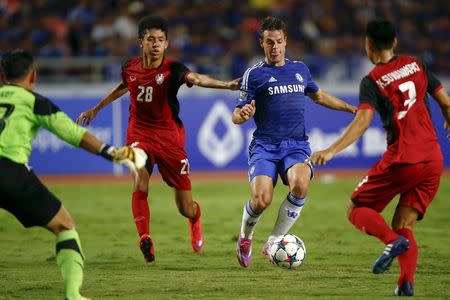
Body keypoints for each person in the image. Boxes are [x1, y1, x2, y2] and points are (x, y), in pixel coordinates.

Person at [76, 16, 240, 263]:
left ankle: (195, 218)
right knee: (139, 179)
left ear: (166, 44)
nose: (156, 44)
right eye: (151, 39)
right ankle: (145, 237)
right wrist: (96, 108)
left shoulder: (173, 69)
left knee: (184, 207)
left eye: (161, 40)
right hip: (139, 134)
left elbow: (196, 78)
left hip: (169, 138)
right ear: (140, 41)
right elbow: (124, 86)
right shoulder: (129, 67)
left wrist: (226, 84)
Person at [308, 20, 450, 296]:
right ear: (395, 42)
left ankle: (392, 241)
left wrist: (331, 149)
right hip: (433, 159)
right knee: (404, 223)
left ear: (368, 44)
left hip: (403, 158)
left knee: (356, 208)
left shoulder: (372, 81)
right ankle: (405, 284)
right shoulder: (416, 64)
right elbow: (444, 101)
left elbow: (363, 120)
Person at [0, 49, 145, 300]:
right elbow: (74, 134)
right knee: (65, 226)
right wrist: (117, 154)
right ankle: (72, 295)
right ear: (33, 76)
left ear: (2, 77)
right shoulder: (35, 102)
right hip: (10, 171)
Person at [232, 16, 357, 268]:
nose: (275, 47)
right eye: (269, 42)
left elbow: (319, 96)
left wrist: (351, 109)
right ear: (262, 43)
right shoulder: (253, 75)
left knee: (300, 184)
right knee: (261, 200)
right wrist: (242, 115)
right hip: (265, 146)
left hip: (296, 145)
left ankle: (275, 240)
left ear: (286, 41)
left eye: (279, 41)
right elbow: (237, 114)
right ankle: (245, 238)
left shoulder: (300, 70)